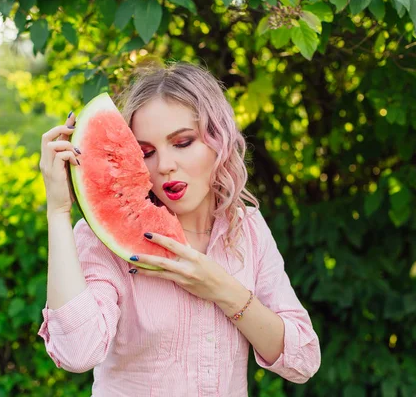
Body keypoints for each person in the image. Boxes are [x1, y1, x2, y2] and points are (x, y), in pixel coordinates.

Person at [37, 61, 321, 396]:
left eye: (183, 142)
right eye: (146, 152)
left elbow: (302, 360)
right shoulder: (103, 240)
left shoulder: (246, 230)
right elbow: (76, 353)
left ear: (219, 140)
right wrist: (58, 212)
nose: (166, 165)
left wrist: (220, 288)